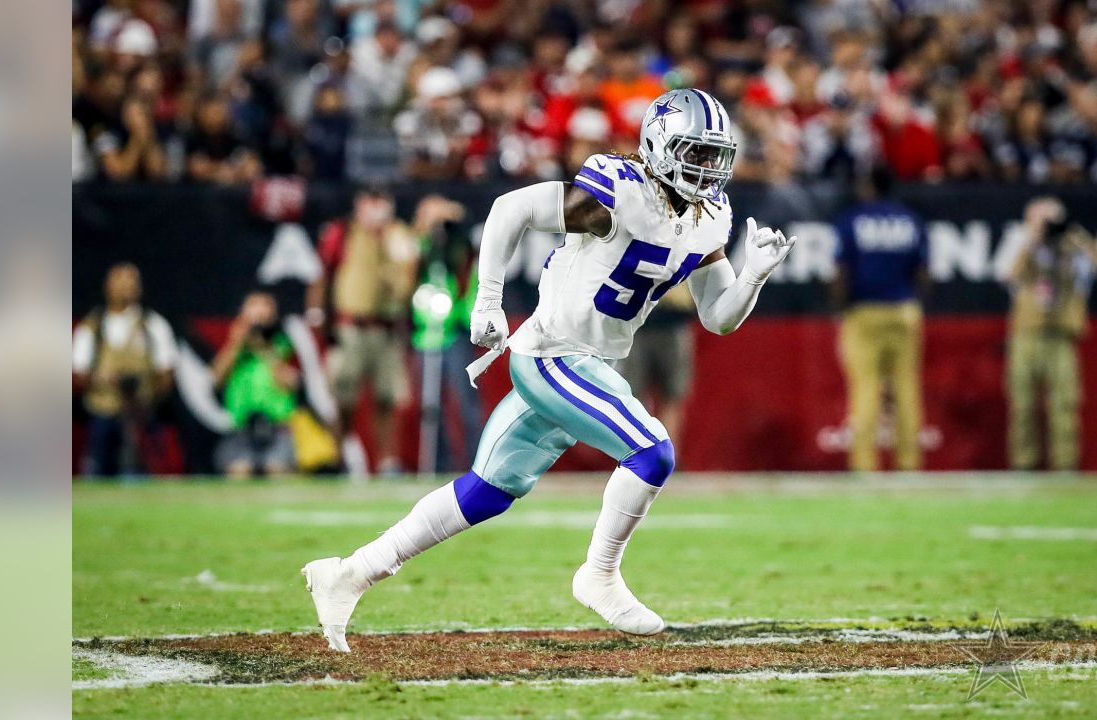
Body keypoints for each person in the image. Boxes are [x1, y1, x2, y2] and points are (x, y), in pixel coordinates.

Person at [302, 88, 797, 652]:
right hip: (553, 355)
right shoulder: (620, 193)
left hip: (592, 362)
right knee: (653, 451)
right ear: (659, 146)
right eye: (695, 152)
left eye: (715, 156)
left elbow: (717, 317)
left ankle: (348, 574)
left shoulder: (710, 218)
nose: (708, 169)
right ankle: (600, 574)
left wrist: (753, 277)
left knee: (486, 491)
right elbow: (509, 209)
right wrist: (487, 299)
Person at [307, 186, 419, 476]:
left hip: (387, 327)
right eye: (371, 202)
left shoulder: (398, 235)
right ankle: (336, 457)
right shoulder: (342, 232)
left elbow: (409, 278)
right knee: (343, 398)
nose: (376, 209)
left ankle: (387, 462)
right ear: (360, 205)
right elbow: (323, 273)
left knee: (387, 398)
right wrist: (318, 316)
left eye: (381, 202)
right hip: (350, 326)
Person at [831, 167, 930, 472]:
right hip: (904, 309)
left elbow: (842, 273)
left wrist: (841, 308)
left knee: (865, 388)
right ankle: (909, 463)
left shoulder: (854, 220)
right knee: (906, 389)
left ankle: (864, 465)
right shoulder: (910, 221)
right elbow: (924, 273)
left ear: (870, 186)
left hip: (865, 311)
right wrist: (915, 304)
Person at [1006, 197, 1097, 471]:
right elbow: (1010, 274)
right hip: (1027, 332)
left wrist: (1076, 234)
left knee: (1065, 403)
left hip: (1062, 335)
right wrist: (1033, 238)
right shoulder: (1022, 242)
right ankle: (1023, 464)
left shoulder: (1073, 248)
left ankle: (1066, 464)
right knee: (1022, 404)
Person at [73, 264, 177, 477]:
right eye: (120, 281)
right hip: (102, 413)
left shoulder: (153, 325)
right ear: (108, 286)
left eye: (132, 281)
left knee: (142, 477)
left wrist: (146, 396)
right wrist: (102, 380)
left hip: (141, 416)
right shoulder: (92, 327)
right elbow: (78, 373)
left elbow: (166, 373)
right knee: (96, 476)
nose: (126, 286)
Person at [407, 196, 484, 474]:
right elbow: (408, 254)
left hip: (456, 333)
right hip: (425, 334)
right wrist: (424, 225)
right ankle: (438, 464)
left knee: (467, 403)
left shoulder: (462, 247)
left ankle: (479, 464)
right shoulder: (421, 247)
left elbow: (471, 280)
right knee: (430, 405)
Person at [210, 291, 300, 478]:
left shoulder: (285, 345)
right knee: (239, 470)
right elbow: (215, 379)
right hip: (241, 431)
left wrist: (262, 347)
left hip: (278, 430)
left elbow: (291, 382)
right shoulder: (234, 350)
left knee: (277, 470)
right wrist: (237, 344)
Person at [619, 284, 695, 445]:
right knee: (634, 396)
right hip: (636, 324)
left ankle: (667, 456)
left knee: (672, 396)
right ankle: (644, 451)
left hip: (674, 321)